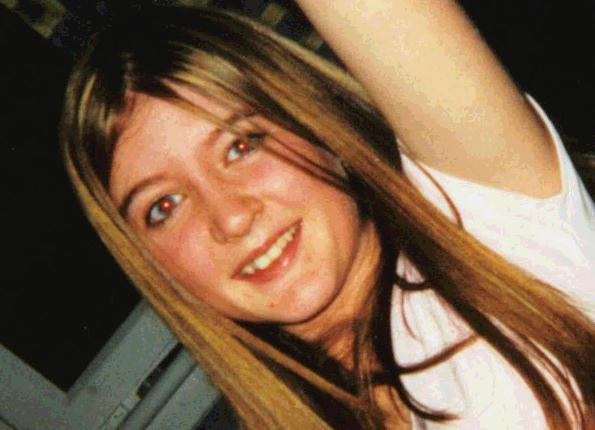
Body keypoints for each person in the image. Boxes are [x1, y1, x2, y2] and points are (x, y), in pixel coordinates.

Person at [60, 1, 595, 429]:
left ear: (317, 127)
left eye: (241, 146)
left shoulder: (490, 236)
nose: (230, 218)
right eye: (164, 207)